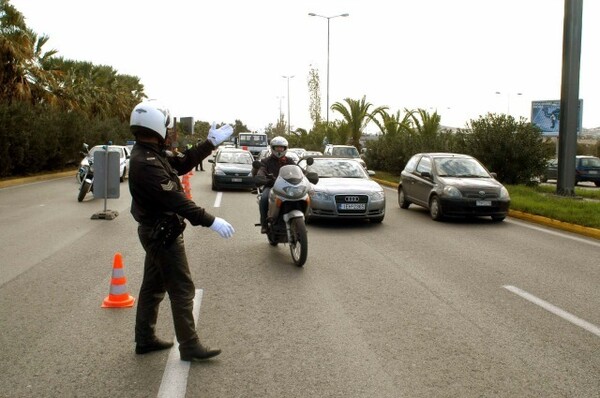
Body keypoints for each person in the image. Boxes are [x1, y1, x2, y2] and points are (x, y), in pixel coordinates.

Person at [128, 99, 235, 362]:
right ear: (156, 127)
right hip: (162, 234)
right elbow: (176, 200)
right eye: (165, 126)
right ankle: (189, 345)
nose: (168, 131)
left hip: (156, 231)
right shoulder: (146, 163)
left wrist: (209, 143)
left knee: (152, 287)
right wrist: (211, 220)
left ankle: (145, 339)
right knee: (183, 289)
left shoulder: (151, 154)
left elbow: (183, 163)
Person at [254, 136, 296, 234]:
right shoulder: (266, 161)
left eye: (281, 147)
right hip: (271, 186)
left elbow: (298, 169)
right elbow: (261, 170)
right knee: (264, 198)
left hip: (287, 187)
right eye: (277, 147)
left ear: (285, 148)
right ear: (272, 148)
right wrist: (261, 177)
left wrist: (307, 174)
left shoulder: (289, 161)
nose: (279, 149)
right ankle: (264, 223)